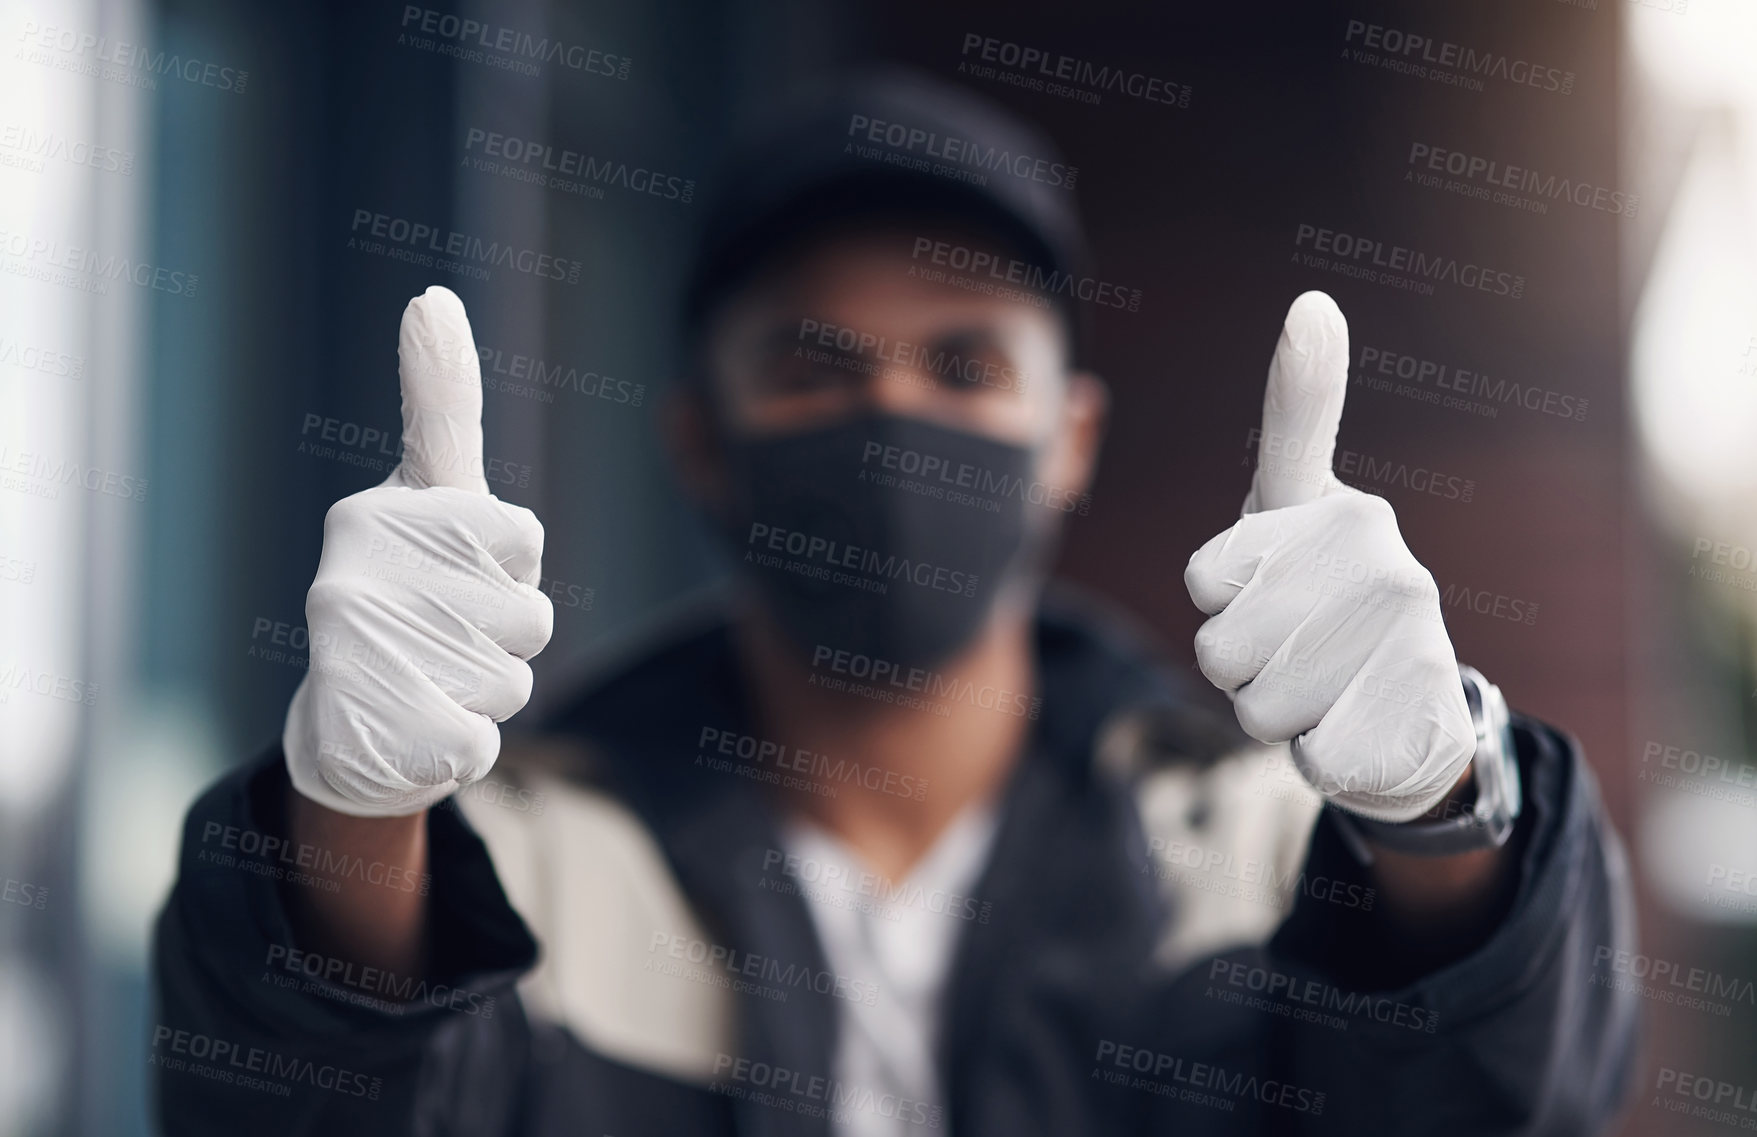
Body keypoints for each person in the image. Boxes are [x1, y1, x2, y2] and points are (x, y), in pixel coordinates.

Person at [152, 72, 1637, 1136]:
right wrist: (351, 815)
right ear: (698, 440)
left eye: (966, 365)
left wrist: (1440, 802)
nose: (891, 414)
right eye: (814, 366)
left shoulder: (1254, 850)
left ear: (1069, 440)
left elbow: (1513, 1102)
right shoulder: (526, 852)